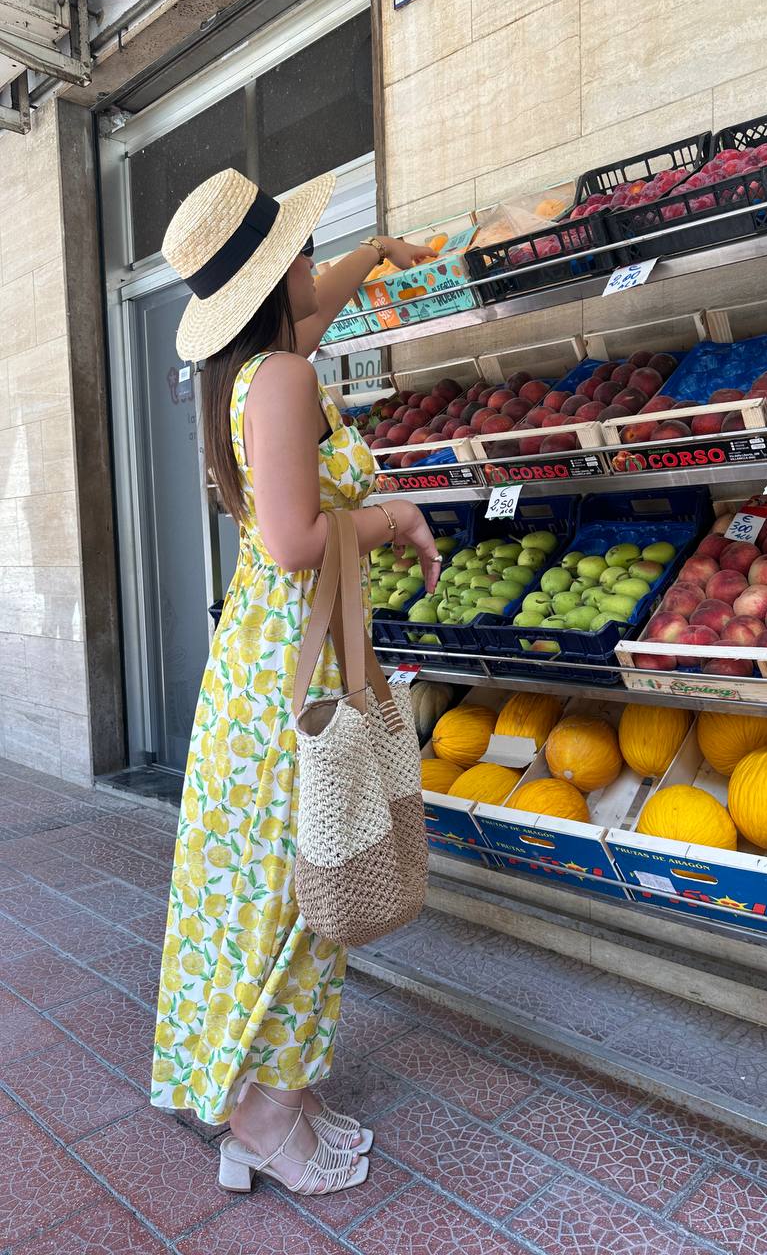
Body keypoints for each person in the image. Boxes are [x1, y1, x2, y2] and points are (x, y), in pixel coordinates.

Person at [150, 167, 440, 1198]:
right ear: (279, 270)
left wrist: (380, 256)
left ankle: (281, 1094)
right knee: (297, 889)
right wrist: (394, 516)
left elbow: (313, 310)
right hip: (290, 670)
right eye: (306, 248)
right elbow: (293, 540)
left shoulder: (257, 365)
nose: (317, 261)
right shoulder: (280, 379)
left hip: (267, 666)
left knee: (289, 881)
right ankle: (262, 1115)